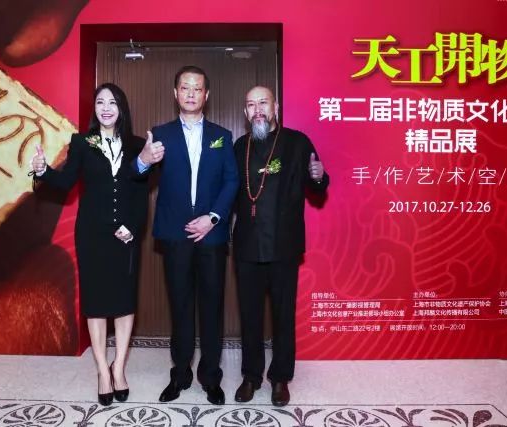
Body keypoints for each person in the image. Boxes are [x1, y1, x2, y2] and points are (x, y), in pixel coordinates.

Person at [31, 83, 161, 405]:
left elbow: (140, 192)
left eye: (112, 102)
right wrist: (43, 170)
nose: (106, 108)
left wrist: (133, 227)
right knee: (96, 303)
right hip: (92, 234)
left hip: (125, 235)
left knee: (124, 302)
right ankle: (103, 370)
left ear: (121, 108)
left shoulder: (138, 145)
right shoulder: (82, 142)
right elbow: (65, 181)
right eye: (100, 102)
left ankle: (119, 368)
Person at [232, 86, 329, 407]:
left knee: (283, 315)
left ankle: (280, 378)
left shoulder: (297, 143)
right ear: (245, 113)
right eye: (251, 105)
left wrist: (319, 176)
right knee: (250, 315)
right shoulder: (239, 146)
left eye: (263, 103)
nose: (257, 109)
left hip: (284, 245)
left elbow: (317, 185)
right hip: (247, 245)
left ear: (276, 107)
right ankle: (251, 376)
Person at [149, 65, 238, 405]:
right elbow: (137, 173)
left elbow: (231, 180)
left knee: (212, 307)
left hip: (211, 235)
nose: (190, 93)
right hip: (175, 235)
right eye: (185, 87)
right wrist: (143, 160)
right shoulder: (160, 134)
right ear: (175, 93)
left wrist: (212, 218)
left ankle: (211, 377)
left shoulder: (222, 135)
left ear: (206, 95)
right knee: (181, 306)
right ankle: (180, 373)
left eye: (197, 88)